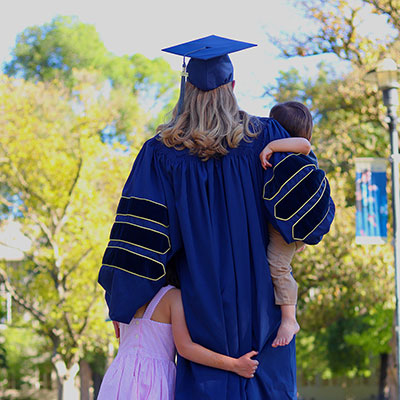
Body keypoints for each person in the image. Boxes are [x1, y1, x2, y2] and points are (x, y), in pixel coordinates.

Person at [98, 35, 335, 399]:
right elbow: (307, 213)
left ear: (186, 90)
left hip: (201, 311)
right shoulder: (267, 136)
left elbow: (140, 241)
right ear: (234, 87)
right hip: (265, 309)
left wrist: (124, 301)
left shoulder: (161, 155)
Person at [97, 267, 259, 399]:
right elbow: (186, 348)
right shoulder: (172, 297)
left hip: (119, 375)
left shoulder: (121, 297)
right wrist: (235, 365)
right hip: (155, 379)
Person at [258, 101, 315, 348]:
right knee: (280, 262)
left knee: (278, 267)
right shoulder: (287, 156)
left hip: (289, 225)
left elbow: (305, 144)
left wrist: (271, 144)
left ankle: (289, 319)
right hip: (291, 224)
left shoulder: (298, 151)